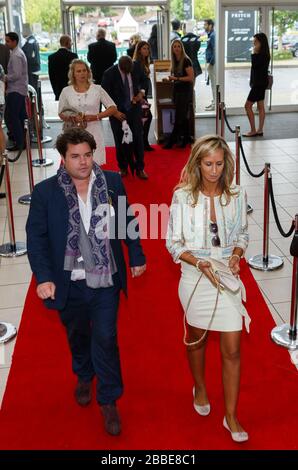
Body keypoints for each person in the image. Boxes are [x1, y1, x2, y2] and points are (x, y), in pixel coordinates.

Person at [26, 127, 146, 436]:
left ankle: (108, 399)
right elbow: (37, 239)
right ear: (63, 159)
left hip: (105, 278)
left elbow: (126, 220)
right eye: (75, 156)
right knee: (78, 335)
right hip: (70, 282)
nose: (83, 162)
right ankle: (83, 372)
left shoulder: (113, 183)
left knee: (105, 337)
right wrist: (44, 277)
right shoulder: (45, 193)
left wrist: (135, 254)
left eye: (88, 155)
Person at [166, 134, 250, 443]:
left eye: (219, 163)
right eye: (207, 164)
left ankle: (230, 415)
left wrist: (237, 256)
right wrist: (199, 263)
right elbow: (172, 243)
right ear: (197, 164)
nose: (214, 170)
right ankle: (200, 387)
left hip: (227, 276)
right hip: (194, 275)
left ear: (226, 163)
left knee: (233, 348)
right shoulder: (183, 196)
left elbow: (242, 233)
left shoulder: (237, 194)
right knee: (196, 340)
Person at [58, 59, 117, 165]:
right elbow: (61, 113)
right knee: (76, 164)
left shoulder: (97, 89)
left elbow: (113, 108)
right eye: (78, 71)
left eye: (84, 70)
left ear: (88, 72)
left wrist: (96, 116)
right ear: (73, 74)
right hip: (73, 133)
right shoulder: (66, 91)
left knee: (94, 164)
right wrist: (72, 118)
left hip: (94, 131)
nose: (82, 73)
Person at [102, 55, 148, 179]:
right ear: (119, 67)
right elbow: (104, 97)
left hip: (134, 109)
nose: (128, 73)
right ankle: (123, 168)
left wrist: (141, 93)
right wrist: (114, 113)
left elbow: (145, 80)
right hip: (117, 112)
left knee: (138, 138)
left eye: (130, 71)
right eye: (125, 71)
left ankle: (140, 168)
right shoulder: (109, 74)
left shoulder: (137, 67)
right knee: (119, 140)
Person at [163, 40, 194, 149]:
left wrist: (176, 78)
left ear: (182, 48)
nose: (176, 48)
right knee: (183, 116)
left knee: (179, 116)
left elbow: (190, 77)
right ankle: (186, 139)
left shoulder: (186, 60)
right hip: (178, 90)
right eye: (174, 47)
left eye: (178, 46)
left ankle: (172, 140)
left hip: (185, 92)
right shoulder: (175, 61)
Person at [4, 32, 28, 152]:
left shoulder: (16, 55)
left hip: (16, 90)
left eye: (8, 41)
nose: (6, 43)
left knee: (11, 117)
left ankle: (19, 143)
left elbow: (17, 74)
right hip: (18, 89)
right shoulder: (16, 53)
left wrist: (5, 77)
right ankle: (20, 141)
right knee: (17, 117)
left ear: (14, 41)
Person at [243, 33, 270, 137]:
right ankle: (259, 130)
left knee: (247, 106)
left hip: (259, 84)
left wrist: (254, 53)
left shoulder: (262, 55)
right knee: (260, 106)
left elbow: (255, 66)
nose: (254, 44)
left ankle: (253, 130)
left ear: (261, 43)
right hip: (260, 83)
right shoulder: (264, 54)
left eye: (256, 42)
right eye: (253, 42)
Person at [132, 41, 154, 151]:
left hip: (143, 94)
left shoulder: (144, 62)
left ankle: (142, 142)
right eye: (144, 48)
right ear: (139, 50)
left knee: (146, 118)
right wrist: (140, 94)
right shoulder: (137, 63)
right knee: (147, 118)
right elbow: (136, 81)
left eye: (148, 48)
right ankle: (142, 143)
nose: (147, 51)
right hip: (140, 95)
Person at [48, 35, 78, 101]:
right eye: (71, 43)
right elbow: (76, 73)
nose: (71, 45)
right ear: (67, 43)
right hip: (72, 88)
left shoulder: (52, 57)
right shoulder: (73, 56)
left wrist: (55, 90)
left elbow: (51, 75)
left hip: (59, 89)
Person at [22, 23, 40, 92]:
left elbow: (29, 56)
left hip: (31, 69)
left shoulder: (30, 42)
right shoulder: (32, 40)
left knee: (33, 88)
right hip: (34, 68)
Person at [204, 19, 216, 111]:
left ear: (210, 25)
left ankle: (215, 104)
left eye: (206, 25)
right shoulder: (210, 35)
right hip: (211, 63)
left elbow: (215, 50)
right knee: (212, 83)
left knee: (214, 84)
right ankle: (214, 102)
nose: (204, 26)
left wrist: (211, 63)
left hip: (212, 64)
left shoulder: (212, 36)